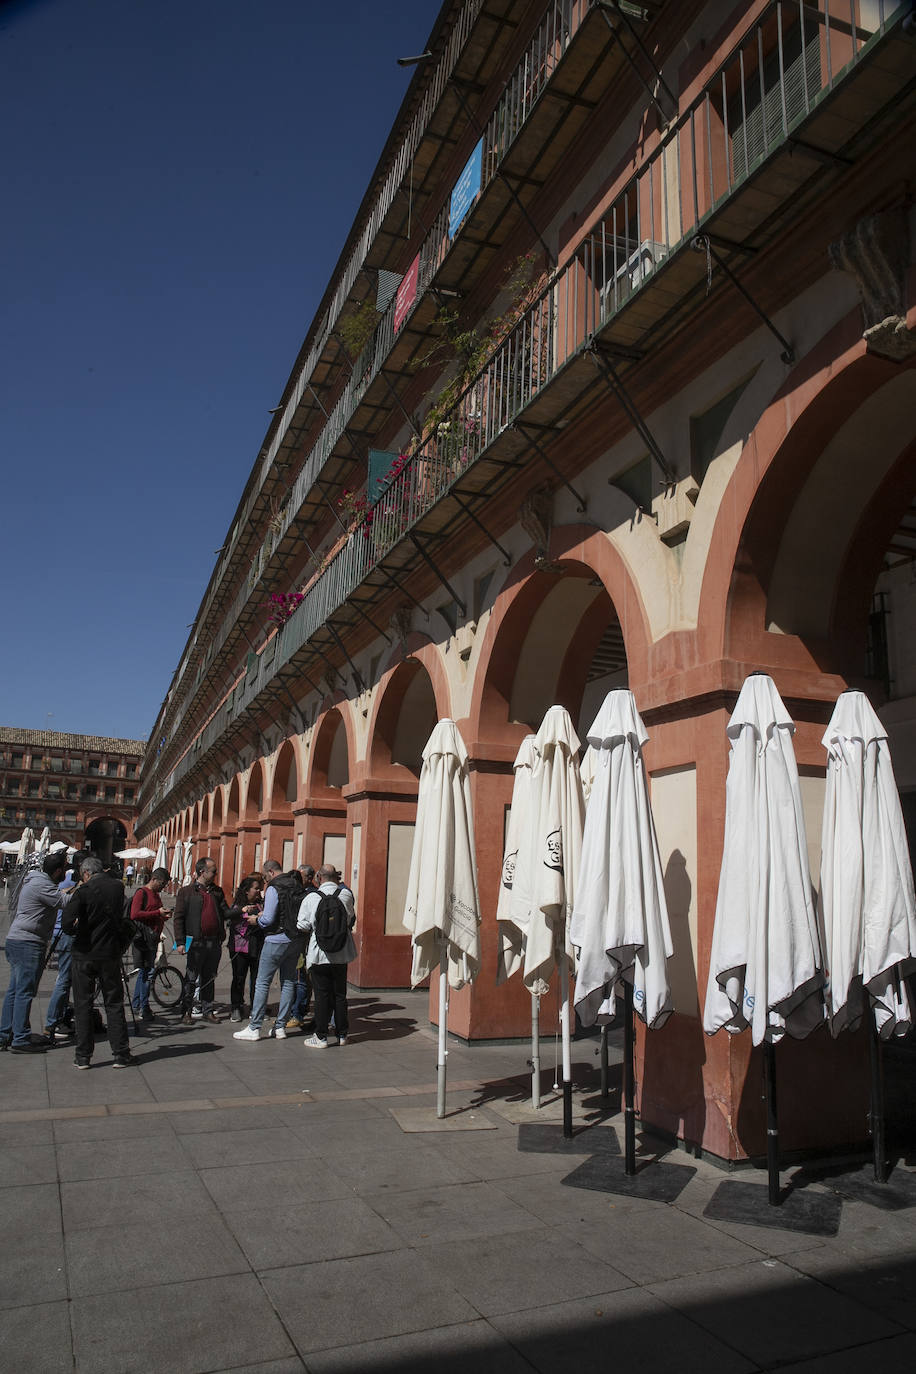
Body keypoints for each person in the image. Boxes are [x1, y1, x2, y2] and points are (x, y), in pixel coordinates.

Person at [62, 856, 133, 1069]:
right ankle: (121, 1054)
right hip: (109, 953)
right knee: (114, 1003)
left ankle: (83, 1056)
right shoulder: (117, 887)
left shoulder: (82, 891)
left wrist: (77, 929)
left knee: (83, 1004)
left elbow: (66, 923)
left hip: (84, 954)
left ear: (85, 873)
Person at [1, 852, 71, 1053]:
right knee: (24, 992)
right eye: (64, 870)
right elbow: (64, 902)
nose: (65, 874)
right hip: (28, 943)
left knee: (15, 991)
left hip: (17, 939)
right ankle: (21, 1039)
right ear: (58, 871)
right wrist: (86, 891)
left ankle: (5, 1034)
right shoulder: (43, 886)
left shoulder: (35, 881)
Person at [232, 859, 304, 1042]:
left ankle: (254, 1027)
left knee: (262, 982)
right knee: (288, 981)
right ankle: (280, 1027)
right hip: (295, 938)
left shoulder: (274, 887)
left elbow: (270, 917)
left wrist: (258, 920)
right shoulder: (296, 884)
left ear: (270, 872)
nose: (265, 880)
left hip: (275, 938)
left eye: (265, 876)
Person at [298, 864, 357, 1049]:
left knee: (322, 994)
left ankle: (321, 1035)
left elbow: (302, 925)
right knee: (340, 994)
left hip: (319, 953)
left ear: (319, 877)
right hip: (341, 952)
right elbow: (349, 919)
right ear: (336, 877)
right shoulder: (346, 895)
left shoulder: (311, 897)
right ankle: (342, 1034)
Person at [173, 857, 230, 1024]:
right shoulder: (186, 892)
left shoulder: (217, 892)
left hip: (214, 942)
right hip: (196, 942)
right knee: (191, 978)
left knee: (210, 977)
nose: (216, 874)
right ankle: (186, 1011)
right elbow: (179, 918)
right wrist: (180, 941)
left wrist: (242, 910)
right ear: (202, 872)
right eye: (213, 871)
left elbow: (225, 912)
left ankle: (207, 1009)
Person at [43, 863, 79, 1043]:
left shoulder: (61, 884)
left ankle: (60, 1017)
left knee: (64, 979)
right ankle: (53, 1022)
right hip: (66, 933)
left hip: (57, 932)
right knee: (64, 980)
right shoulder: (70, 885)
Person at [129, 867, 169, 1020]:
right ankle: (143, 1007)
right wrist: (157, 913)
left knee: (144, 973)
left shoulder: (156, 895)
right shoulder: (142, 893)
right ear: (154, 879)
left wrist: (163, 916)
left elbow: (156, 912)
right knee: (147, 973)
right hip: (144, 939)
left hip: (152, 937)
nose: (163, 887)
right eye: (162, 883)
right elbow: (134, 914)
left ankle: (138, 1004)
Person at [227, 874, 264, 1022]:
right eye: (256, 889)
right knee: (238, 978)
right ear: (247, 891)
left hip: (257, 947)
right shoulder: (237, 906)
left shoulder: (261, 904)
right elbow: (233, 921)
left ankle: (256, 1007)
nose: (258, 891)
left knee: (256, 979)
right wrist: (246, 915)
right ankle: (236, 1007)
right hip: (239, 948)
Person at [287, 864, 316, 1029]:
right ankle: (299, 1009)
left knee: (301, 980)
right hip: (299, 943)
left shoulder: (309, 895)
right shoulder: (300, 893)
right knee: (301, 978)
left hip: (303, 943)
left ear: (309, 878)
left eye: (301, 876)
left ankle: (297, 1013)